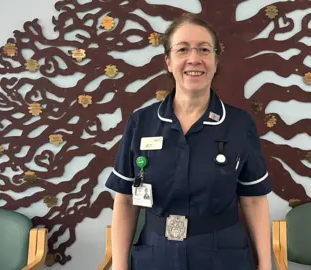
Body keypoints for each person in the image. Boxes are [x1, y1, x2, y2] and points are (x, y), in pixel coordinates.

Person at [105, 13, 273, 270]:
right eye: (182, 49)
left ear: (216, 60)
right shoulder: (142, 122)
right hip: (155, 255)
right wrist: (118, 265)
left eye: (204, 49)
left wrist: (264, 264)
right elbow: (126, 199)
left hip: (222, 256)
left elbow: (253, 200)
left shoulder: (239, 124)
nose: (194, 59)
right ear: (169, 61)